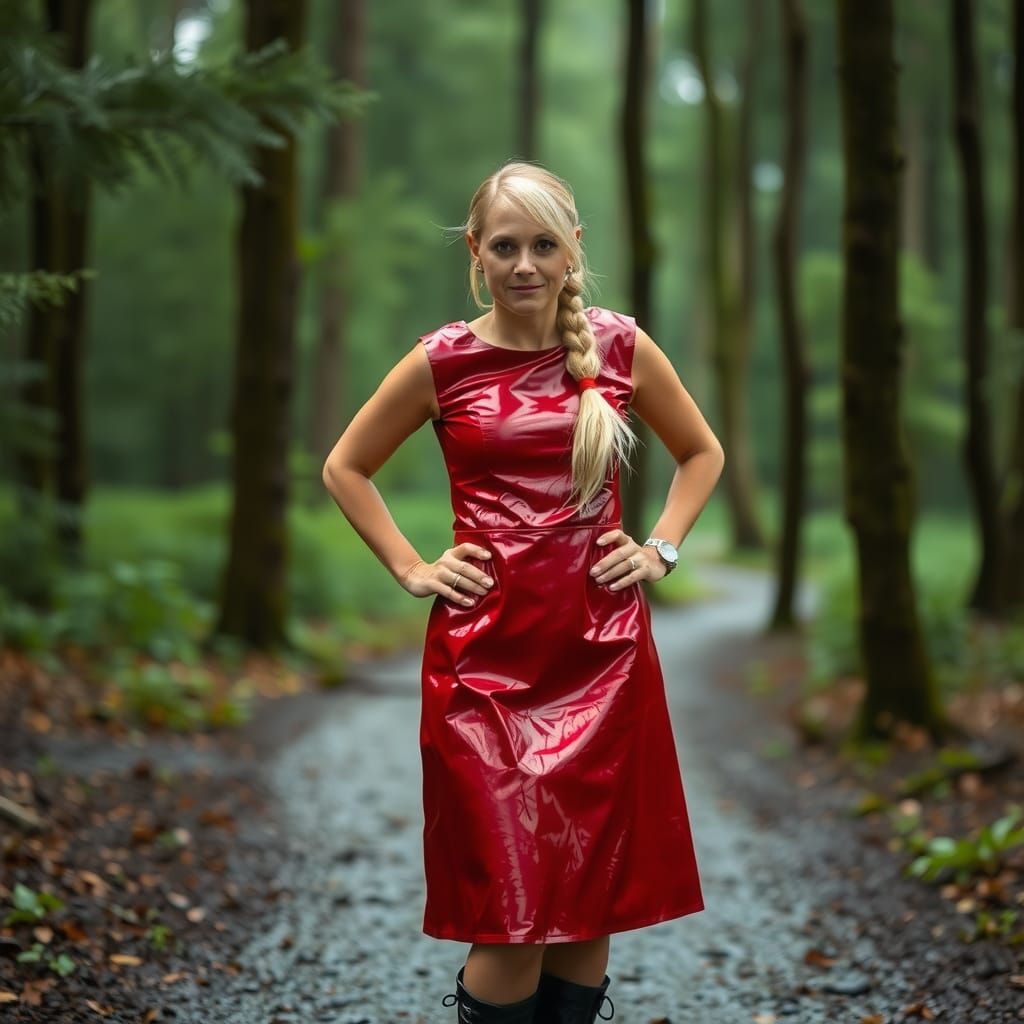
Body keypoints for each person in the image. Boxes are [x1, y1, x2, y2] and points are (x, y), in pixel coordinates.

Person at [321, 160, 725, 1024]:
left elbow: (703, 452)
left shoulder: (618, 347)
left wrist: (660, 549)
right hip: (485, 664)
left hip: (602, 654)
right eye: (505, 246)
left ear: (574, 248)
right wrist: (410, 567)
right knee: (510, 917)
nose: (526, 266)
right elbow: (345, 466)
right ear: (476, 253)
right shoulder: (443, 360)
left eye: (545, 244)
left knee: (587, 902)